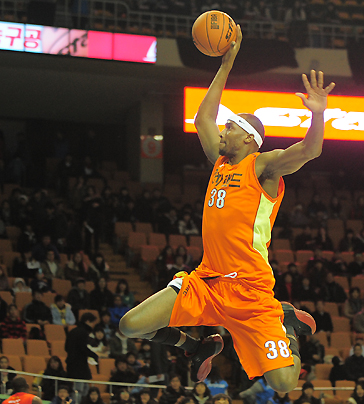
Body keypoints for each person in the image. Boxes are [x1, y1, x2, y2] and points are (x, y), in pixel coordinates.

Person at [119, 26, 333, 391]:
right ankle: (196, 346)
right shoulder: (219, 163)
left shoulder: (263, 166)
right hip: (208, 282)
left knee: (283, 384)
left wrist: (317, 115)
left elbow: (309, 151)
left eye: (229, 127)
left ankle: (288, 324)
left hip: (250, 292)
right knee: (130, 325)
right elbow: (202, 119)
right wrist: (225, 64)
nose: (221, 132)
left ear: (249, 138)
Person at [65, 312, 99, 397]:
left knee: (83, 388)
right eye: (92, 323)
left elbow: (66, 347)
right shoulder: (83, 332)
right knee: (79, 390)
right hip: (79, 366)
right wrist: (94, 355)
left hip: (71, 364)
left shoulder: (72, 331)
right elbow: (83, 348)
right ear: (87, 321)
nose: (93, 325)